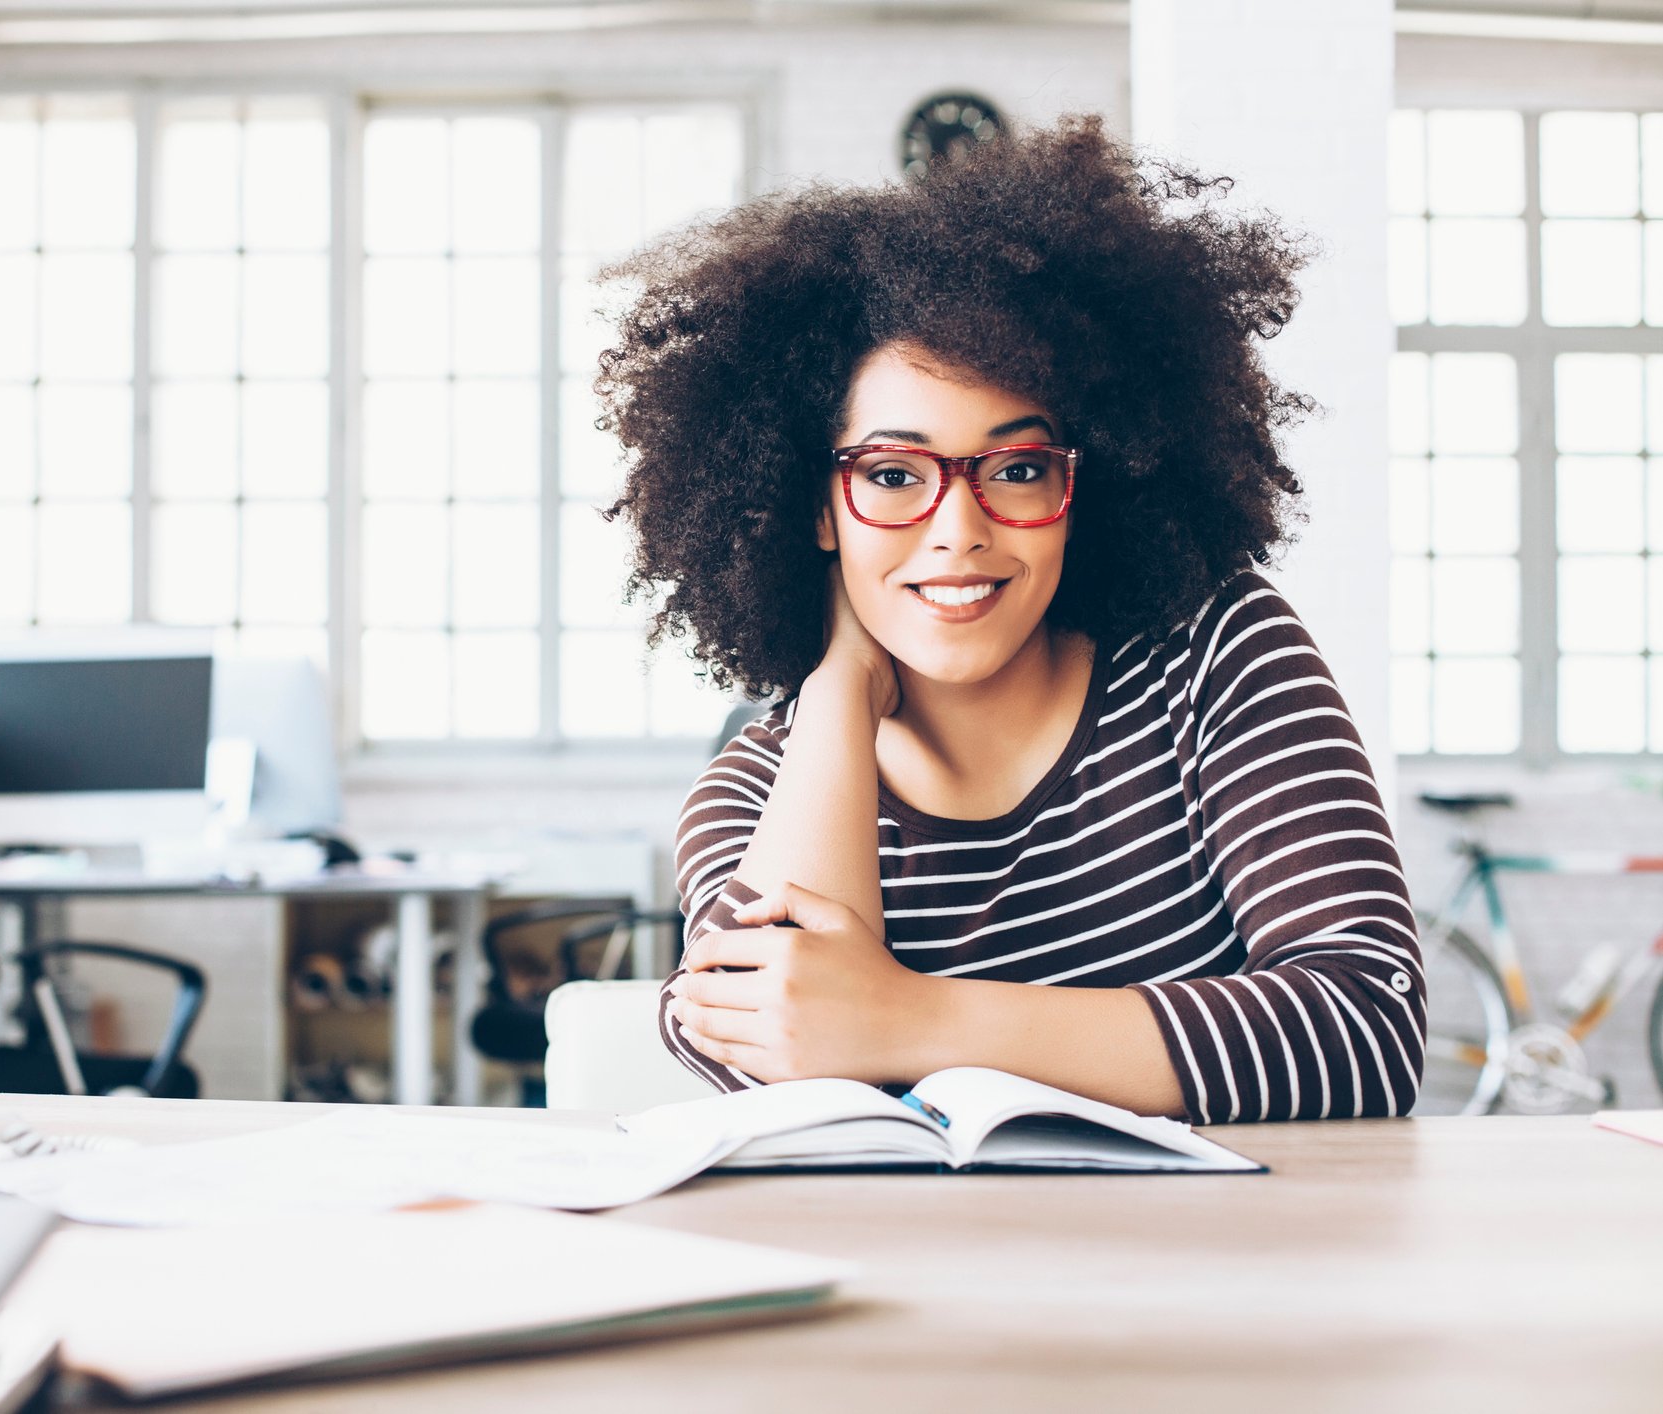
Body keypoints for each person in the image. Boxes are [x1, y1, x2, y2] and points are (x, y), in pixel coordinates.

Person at [596, 116, 1422, 1122]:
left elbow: (1367, 1027)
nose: (958, 529)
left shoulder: (1213, 654)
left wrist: (911, 1018)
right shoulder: (761, 783)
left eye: (1018, 468)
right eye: (893, 475)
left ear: (1092, 479)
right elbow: (756, 1064)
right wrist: (840, 687)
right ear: (815, 506)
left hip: (1227, 1270)